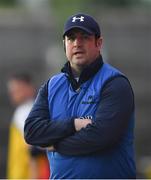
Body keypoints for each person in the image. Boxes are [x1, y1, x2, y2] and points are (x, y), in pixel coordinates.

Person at [24, 13, 136, 178]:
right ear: (64, 44)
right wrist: (73, 124)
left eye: (84, 37)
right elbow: (32, 132)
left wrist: (55, 144)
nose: (77, 43)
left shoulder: (115, 83)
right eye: (71, 38)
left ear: (99, 43)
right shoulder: (51, 86)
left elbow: (100, 136)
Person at [7, 73, 49, 179]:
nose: (13, 93)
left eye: (18, 89)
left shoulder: (26, 111)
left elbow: (34, 148)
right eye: (12, 90)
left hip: (28, 174)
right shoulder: (26, 110)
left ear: (30, 88)